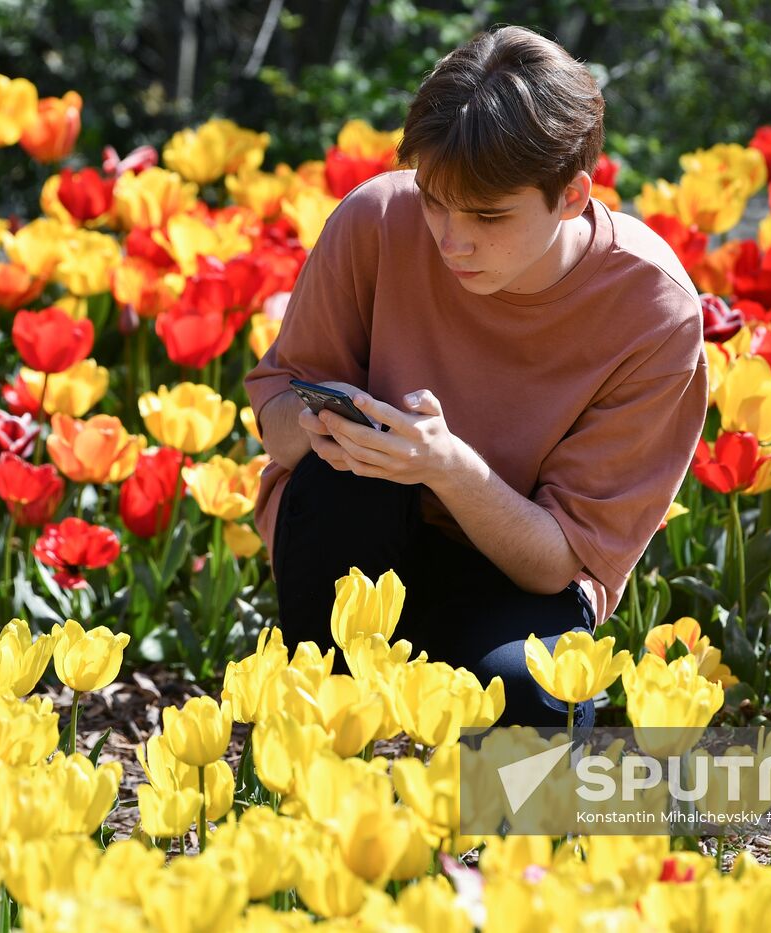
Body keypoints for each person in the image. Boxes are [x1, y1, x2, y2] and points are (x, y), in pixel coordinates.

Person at [243, 25, 708, 728]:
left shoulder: (653, 311)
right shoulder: (376, 220)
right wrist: (319, 421)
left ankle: (505, 835)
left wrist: (448, 466)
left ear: (574, 195)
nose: (451, 241)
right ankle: (320, 771)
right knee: (342, 480)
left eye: (488, 215)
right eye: (434, 200)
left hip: (516, 575)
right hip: (357, 541)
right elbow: (279, 431)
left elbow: (561, 561)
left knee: (525, 693)